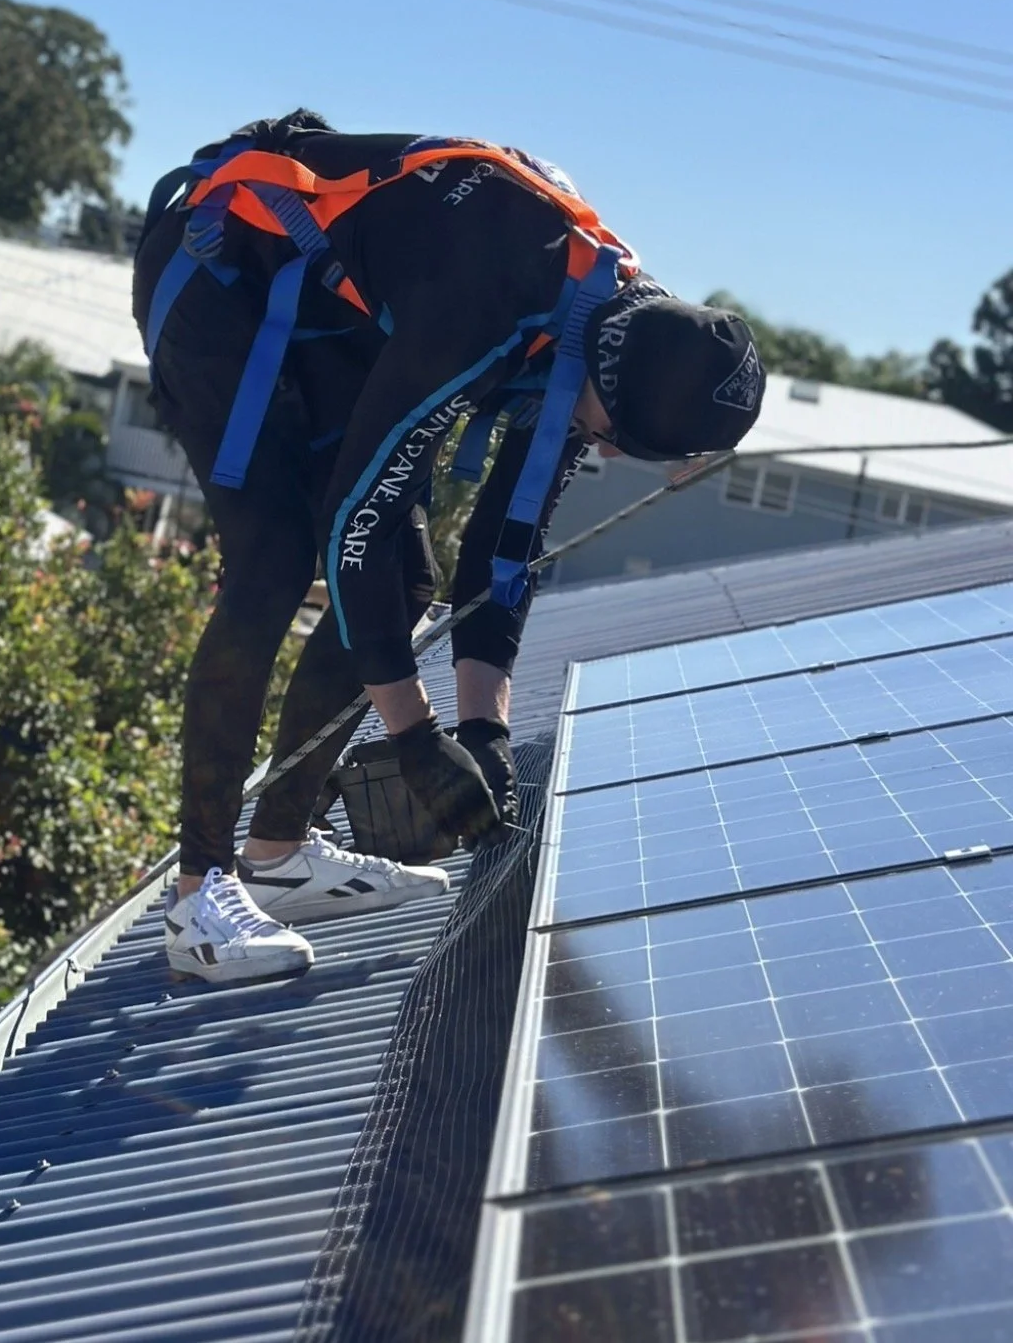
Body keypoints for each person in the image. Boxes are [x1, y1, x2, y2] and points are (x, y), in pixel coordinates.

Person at [133, 111, 765, 983]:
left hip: (328, 305)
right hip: (219, 271)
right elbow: (353, 527)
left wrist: (484, 731)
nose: (611, 454)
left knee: (409, 579)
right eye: (619, 438)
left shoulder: (615, 329)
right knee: (275, 561)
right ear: (610, 387)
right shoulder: (488, 303)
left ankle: (277, 855)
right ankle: (198, 899)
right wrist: (418, 742)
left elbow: (507, 549)